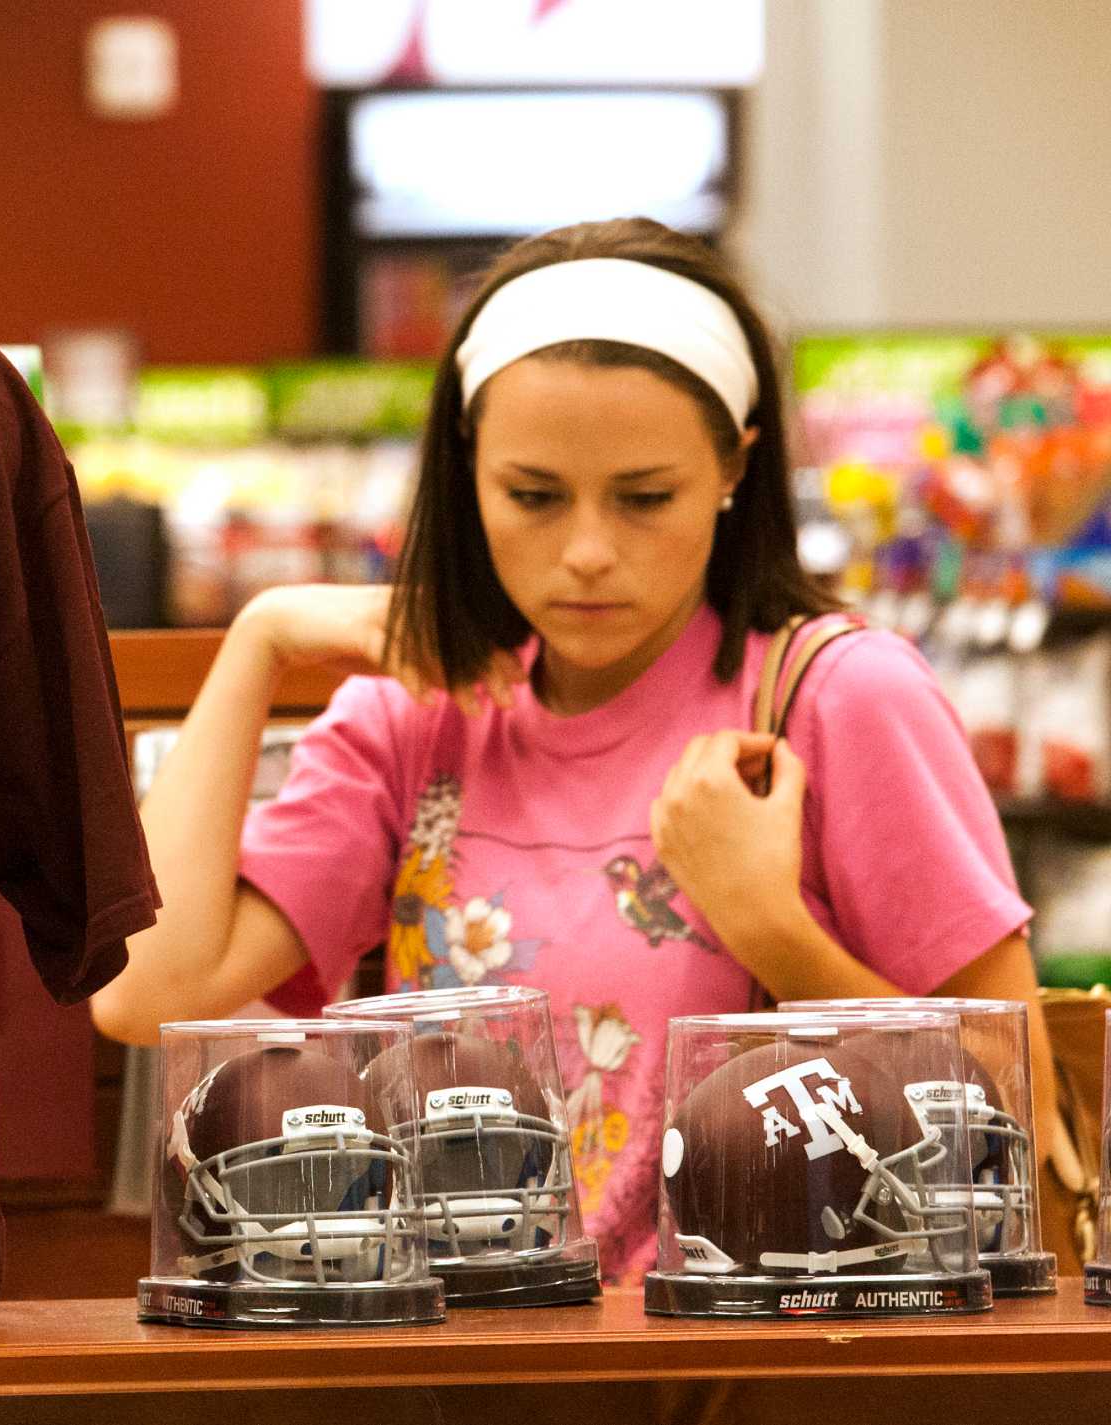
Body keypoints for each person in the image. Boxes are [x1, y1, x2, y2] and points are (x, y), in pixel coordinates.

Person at [91, 217, 1061, 1282]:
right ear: (467, 473)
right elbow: (144, 996)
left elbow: (1007, 1100)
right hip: (473, 1368)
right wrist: (259, 643)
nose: (587, 553)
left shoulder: (834, 698)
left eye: (644, 499)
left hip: (755, 1373)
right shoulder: (417, 715)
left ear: (735, 464)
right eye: (532, 497)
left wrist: (771, 931)